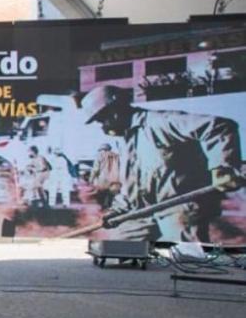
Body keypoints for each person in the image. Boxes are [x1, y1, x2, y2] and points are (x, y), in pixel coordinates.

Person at [82, 85, 242, 242]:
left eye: (102, 119)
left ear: (115, 110)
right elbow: (131, 184)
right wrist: (118, 210)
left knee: (186, 260)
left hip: (179, 207)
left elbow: (218, 126)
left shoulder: (161, 122)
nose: (103, 126)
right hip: (141, 212)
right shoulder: (125, 141)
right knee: (118, 252)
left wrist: (222, 168)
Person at [89, 143, 121, 209]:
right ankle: (109, 211)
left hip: (103, 180)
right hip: (115, 181)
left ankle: (102, 214)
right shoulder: (116, 156)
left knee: (101, 199)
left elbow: (96, 169)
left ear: (102, 149)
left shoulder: (100, 155)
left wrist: (91, 180)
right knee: (111, 200)